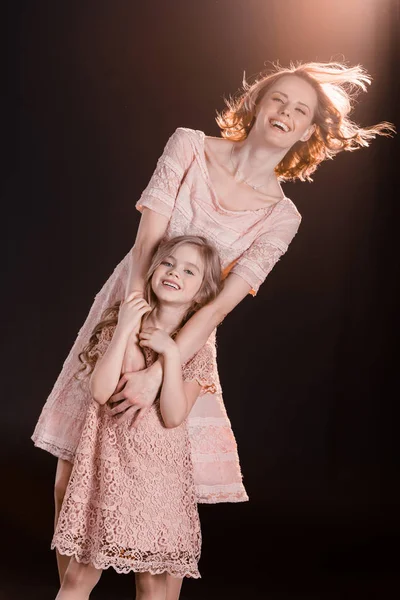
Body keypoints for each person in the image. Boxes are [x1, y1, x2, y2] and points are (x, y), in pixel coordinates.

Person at [31, 60, 395, 584]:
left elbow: (220, 303)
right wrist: (128, 330)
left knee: (161, 478)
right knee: (76, 458)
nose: (285, 113)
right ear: (256, 103)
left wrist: (161, 370)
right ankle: (73, 584)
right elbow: (146, 244)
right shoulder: (189, 145)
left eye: (300, 110)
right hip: (127, 302)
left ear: (308, 131)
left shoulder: (282, 216)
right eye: (279, 100)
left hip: (189, 339)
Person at [53, 235, 223, 600]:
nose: (174, 272)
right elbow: (100, 391)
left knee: (152, 583)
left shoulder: (198, 349)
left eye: (189, 271)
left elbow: (175, 414)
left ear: (201, 294)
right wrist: (127, 326)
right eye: (168, 263)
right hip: (109, 471)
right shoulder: (122, 323)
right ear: (153, 270)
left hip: (159, 479)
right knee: (78, 577)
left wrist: (171, 356)